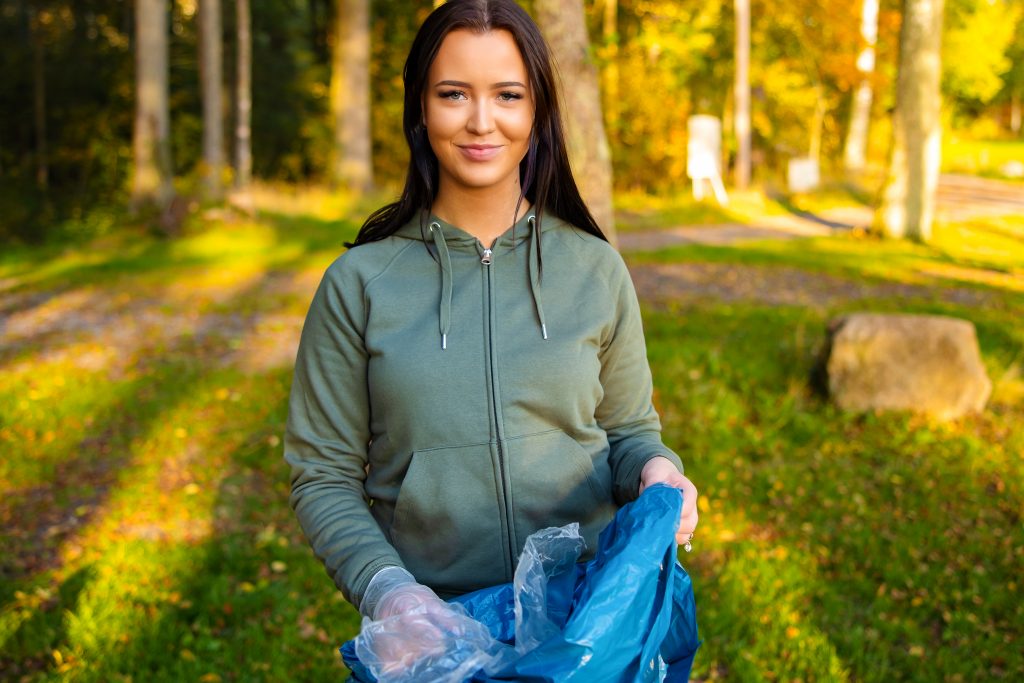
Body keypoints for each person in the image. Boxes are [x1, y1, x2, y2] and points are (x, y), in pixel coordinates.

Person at [284, 0, 699, 665]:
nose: (482, 120)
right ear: (421, 106)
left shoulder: (594, 268)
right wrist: (390, 593)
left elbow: (628, 434)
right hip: (434, 637)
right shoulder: (358, 283)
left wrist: (659, 470)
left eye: (508, 95)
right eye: (454, 94)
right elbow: (323, 473)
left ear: (537, 111)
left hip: (588, 630)